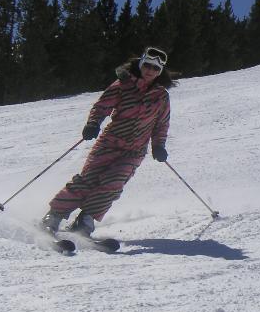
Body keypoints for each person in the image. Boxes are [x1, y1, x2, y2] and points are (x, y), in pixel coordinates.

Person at [43, 46, 176, 236]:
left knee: (114, 183)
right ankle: (54, 216)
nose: (150, 71)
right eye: (147, 65)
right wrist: (93, 123)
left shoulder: (161, 96)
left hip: (134, 151)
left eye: (156, 68)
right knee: (88, 179)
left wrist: (159, 146)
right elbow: (102, 106)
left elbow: (162, 124)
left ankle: (85, 221)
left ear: (160, 72)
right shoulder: (123, 84)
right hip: (109, 143)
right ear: (140, 64)